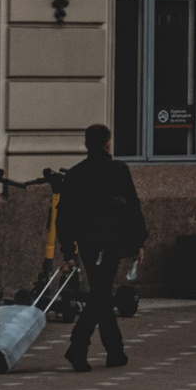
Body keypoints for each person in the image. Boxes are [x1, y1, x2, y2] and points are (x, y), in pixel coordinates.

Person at [57, 123, 147, 373]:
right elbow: (132, 205)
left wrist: (69, 252)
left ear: (86, 144)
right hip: (111, 240)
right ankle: (78, 345)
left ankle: (115, 351)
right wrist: (139, 240)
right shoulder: (117, 170)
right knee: (100, 293)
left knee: (102, 291)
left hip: (87, 241)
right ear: (109, 143)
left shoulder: (75, 174)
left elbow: (63, 215)